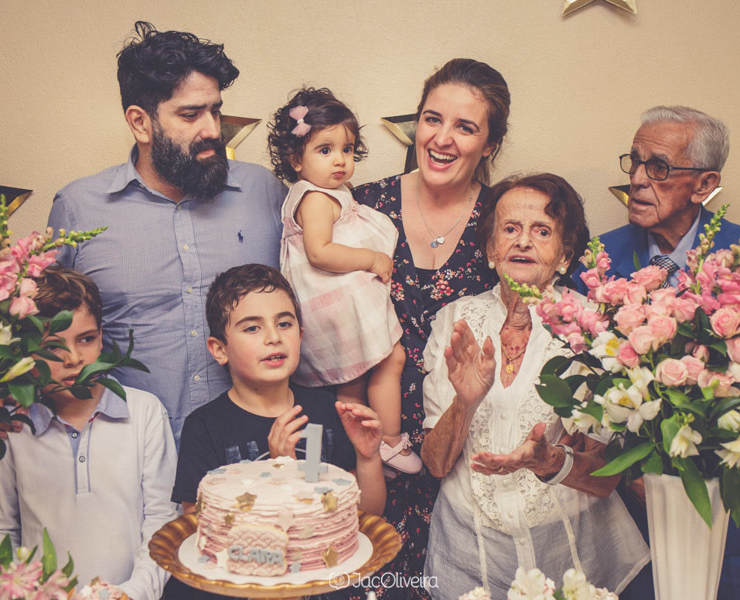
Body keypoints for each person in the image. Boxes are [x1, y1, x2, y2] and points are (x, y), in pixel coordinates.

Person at [576, 105, 740, 600]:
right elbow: (586, 385)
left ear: (704, 185)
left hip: (730, 516)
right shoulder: (600, 259)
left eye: (658, 167)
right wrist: (629, 474)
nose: (638, 179)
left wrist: (726, 485)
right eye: (634, 161)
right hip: (629, 520)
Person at [47, 22, 286, 442]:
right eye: (190, 115)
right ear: (140, 123)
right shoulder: (78, 209)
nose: (212, 130)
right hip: (127, 454)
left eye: (215, 111)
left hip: (259, 453)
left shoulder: (264, 192)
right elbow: (42, 334)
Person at [420, 173, 648, 599]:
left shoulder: (593, 329)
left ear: (564, 255)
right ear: (491, 249)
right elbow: (435, 464)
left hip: (570, 559)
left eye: (542, 231)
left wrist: (549, 462)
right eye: (510, 229)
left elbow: (605, 477)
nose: (523, 241)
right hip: (469, 559)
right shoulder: (454, 321)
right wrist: (464, 403)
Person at [351, 58, 507, 599]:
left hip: (462, 450)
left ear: (489, 145)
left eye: (465, 127)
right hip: (370, 445)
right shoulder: (363, 207)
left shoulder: (503, 221)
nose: (442, 139)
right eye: (432, 119)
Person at [169, 264, 385, 599]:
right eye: (252, 327)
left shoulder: (326, 410)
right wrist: (279, 472)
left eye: (284, 323)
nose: (273, 337)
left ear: (300, 334)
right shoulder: (205, 426)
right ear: (219, 349)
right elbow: (202, 534)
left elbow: (364, 517)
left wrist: (368, 458)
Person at [0, 266, 179, 599]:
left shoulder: (144, 413)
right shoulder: (10, 426)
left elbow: (162, 519)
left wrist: (134, 592)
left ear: (101, 336)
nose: (73, 358)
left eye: (86, 339)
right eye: (52, 347)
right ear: (24, 351)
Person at [269, 87, 418, 475]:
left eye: (347, 149)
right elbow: (319, 252)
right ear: (295, 159)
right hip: (336, 306)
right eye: (325, 150)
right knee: (385, 361)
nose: (340, 160)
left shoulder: (326, 192)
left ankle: (359, 455)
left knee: (352, 383)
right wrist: (371, 258)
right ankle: (387, 443)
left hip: (336, 306)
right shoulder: (316, 199)